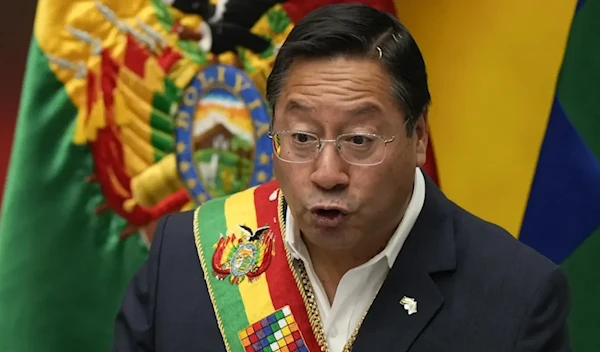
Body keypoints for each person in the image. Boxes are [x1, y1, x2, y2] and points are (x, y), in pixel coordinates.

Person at [112, 3, 571, 352]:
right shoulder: (184, 259)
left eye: (359, 140)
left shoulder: (516, 298)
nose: (327, 174)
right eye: (302, 137)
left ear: (419, 137)